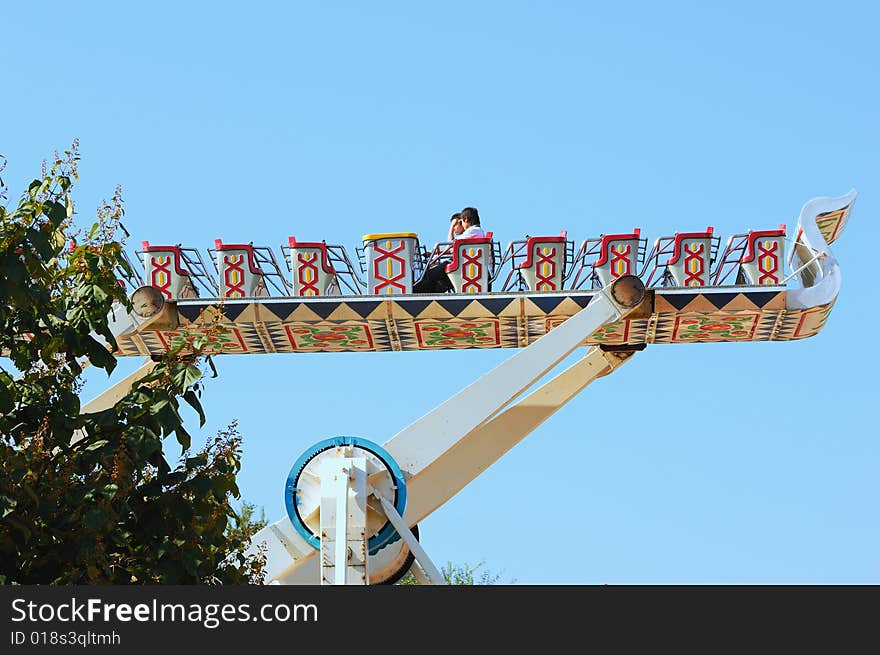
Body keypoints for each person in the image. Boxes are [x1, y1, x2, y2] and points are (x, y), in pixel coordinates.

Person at [413, 207, 487, 293]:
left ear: (466, 220)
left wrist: (452, 227)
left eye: (461, 222)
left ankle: (416, 290)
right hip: (464, 263)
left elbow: (451, 246)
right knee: (440, 279)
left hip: (462, 265)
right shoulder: (477, 231)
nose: (462, 225)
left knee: (430, 274)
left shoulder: (473, 231)